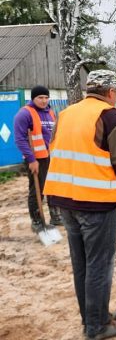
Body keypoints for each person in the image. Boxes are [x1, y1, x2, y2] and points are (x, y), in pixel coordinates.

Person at [43, 70, 116, 340]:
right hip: (95, 206)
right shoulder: (111, 116)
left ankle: (93, 317)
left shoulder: (66, 114)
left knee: (82, 264)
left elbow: (58, 153)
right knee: (99, 266)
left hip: (64, 202)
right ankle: (97, 327)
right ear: (110, 92)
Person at [14, 85, 62, 232]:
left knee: (53, 187)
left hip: (51, 157)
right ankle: (37, 221)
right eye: (40, 97)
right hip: (36, 159)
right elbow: (20, 139)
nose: (44, 100)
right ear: (33, 98)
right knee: (37, 190)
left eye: (46, 97)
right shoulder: (24, 114)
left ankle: (55, 216)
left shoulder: (51, 113)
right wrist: (31, 160)